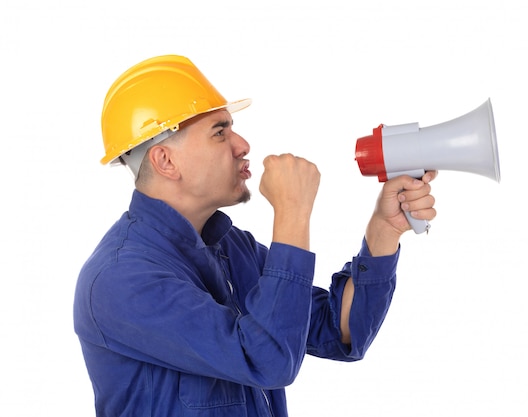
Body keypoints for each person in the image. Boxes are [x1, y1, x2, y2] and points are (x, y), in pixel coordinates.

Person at [73, 54, 437, 417]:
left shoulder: (231, 247)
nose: (243, 144)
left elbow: (339, 332)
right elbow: (268, 361)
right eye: (220, 132)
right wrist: (293, 213)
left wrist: (384, 231)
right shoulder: (122, 279)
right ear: (166, 161)